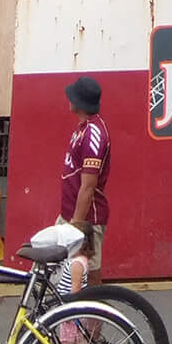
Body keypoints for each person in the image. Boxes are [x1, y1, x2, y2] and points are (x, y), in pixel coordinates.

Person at [59, 75, 110, 279]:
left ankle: (95, 300)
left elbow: (88, 186)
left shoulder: (93, 134)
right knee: (63, 265)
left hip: (86, 218)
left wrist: (77, 224)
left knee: (89, 268)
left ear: (79, 103)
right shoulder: (84, 128)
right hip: (70, 212)